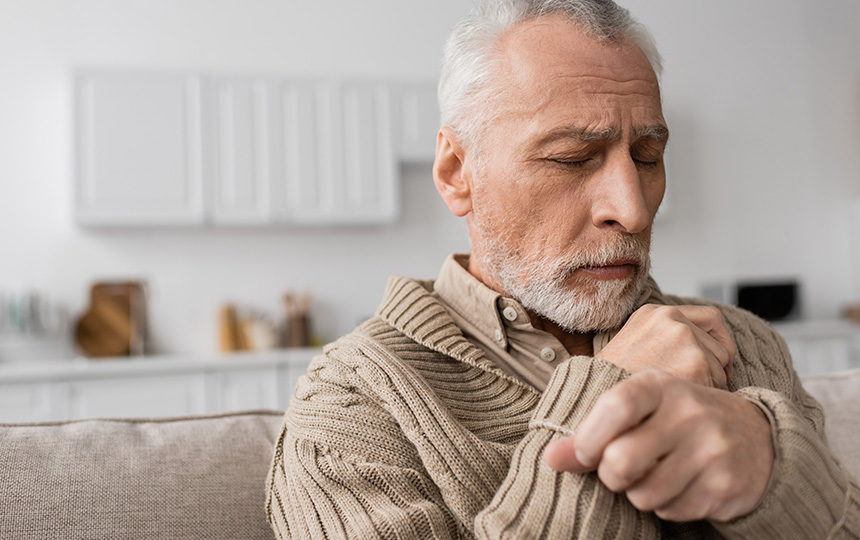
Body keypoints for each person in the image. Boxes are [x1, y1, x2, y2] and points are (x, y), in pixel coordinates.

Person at [266, 0, 860, 538]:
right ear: (455, 172)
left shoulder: (744, 344)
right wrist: (604, 398)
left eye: (648, 157)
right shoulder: (350, 409)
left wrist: (775, 477)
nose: (632, 209)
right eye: (573, 158)